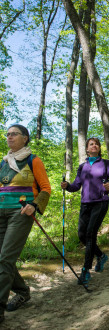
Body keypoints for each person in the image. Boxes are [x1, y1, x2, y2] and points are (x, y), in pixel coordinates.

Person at [0, 124, 51, 324]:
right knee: (3, 260)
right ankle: (22, 291)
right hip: (1, 213)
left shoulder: (33, 160)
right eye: (8, 134)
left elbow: (46, 188)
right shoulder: (4, 163)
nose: (10, 137)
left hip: (20, 213)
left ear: (25, 138)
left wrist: (34, 205)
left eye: (14, 134)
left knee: (5, 259)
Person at [61, 137, 109, 287]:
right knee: (81, 235)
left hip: (101, 202)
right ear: (87, 149)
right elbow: (76, 186)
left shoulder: (105, 163)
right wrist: (67, 186)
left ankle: (86, 269)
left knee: (90, 234)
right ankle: (101, 255)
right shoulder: (82, 166)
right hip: (85, 204)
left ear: (99, 148)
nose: (94, 146)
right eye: (91, 144)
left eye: (96, 144)